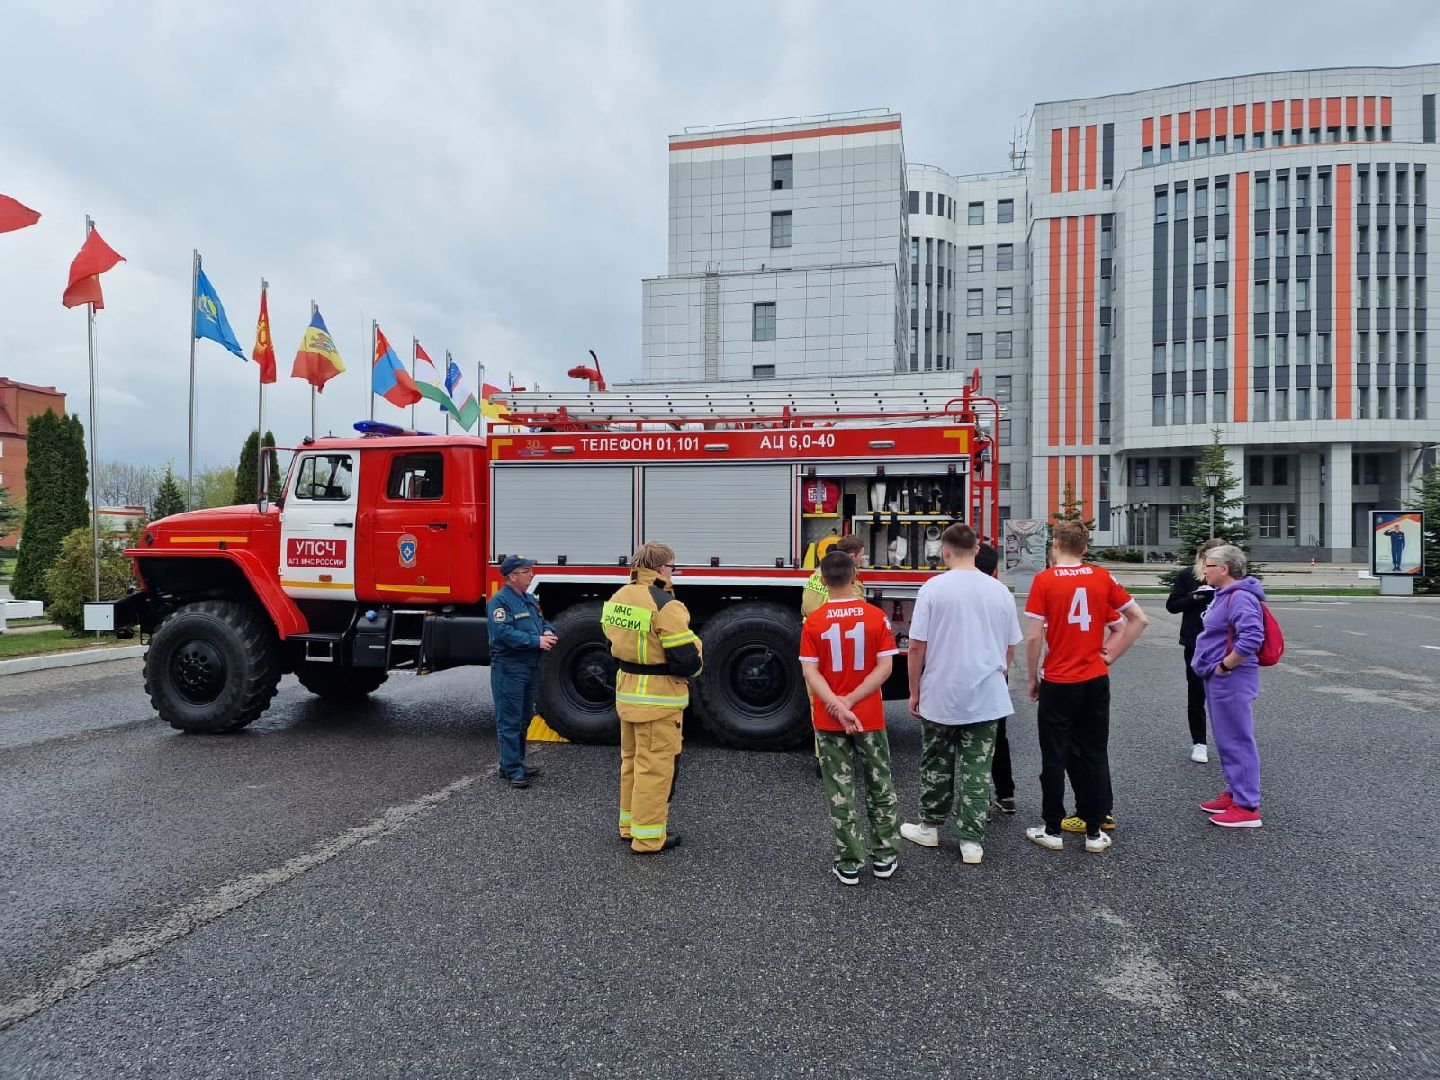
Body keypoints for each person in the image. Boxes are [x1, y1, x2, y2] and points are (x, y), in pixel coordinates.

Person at [899, 524, 1023, 866]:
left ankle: (929, 826)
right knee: (977, 768)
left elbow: (916, 647)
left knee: (937, 761)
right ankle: (971, 841)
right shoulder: (1000, 591)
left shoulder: (933, 589)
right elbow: (1010, 647)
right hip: (987, 695)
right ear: (978, 550)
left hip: (941, 693)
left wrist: (914, 691)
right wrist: (998, 672)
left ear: (945, 551)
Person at [1023, 521, 1148, 854]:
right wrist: (1110, 655)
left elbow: (1035, 635)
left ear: (1056, 543)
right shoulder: (1102, 577)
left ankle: (1052, 828)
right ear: (1084, 548)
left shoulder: (1044, 580)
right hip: (1094, 678)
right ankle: (1094, 830)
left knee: (1054, 755)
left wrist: (1032, 677)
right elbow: (1138, 619)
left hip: (1060, 680)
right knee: (1093, 752)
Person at [799, 550, 901, 885]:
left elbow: (811, 673)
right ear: (855, 576)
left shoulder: (814, 621)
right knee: (879, 783)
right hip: (869, 714)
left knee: (840, 789)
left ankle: (850, 862)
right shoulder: (875, 618)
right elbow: (885, 667)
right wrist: (853, 701)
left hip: (829, 718)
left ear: (824, 581)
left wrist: (837, 706)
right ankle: (884, 856)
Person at [602, 542, 702, 853]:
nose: (674, 572)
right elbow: (687, 660)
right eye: (673, 567)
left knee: (631, 763)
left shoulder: (619, 598)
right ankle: (647, 838)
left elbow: (609, 638)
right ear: (661, 568)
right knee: (655, 769)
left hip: (628, 692)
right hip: (659, 700)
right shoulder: (666, 604)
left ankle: (629, 826)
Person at [1192, 544, 1266, 828]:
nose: (1204, 570)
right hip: (1221, 677)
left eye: (1208, 566)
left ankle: (1247, 807)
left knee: (1237, 738)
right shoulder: (1226, 595)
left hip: (1231, 677)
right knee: (1226, 738)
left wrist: (1224, 667)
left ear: (1224, 569)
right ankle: (1236, 792)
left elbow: (1251, 639)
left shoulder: (1240, 598)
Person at [486, 555, 558, 789]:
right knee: (510, 718)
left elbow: (543, 621)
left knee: (525, 716)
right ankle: (511, 768)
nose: (532, 574)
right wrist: (535, 641)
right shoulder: (499, 603)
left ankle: (514, 762)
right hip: (510, 667)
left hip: (529, 666)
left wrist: (547, 632)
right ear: (513, 576)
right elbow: (502, 634)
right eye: (527, 571)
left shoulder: (528, 599)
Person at [1166, 538, 1225, 763]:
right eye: (1209, 559)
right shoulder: (1188, 575)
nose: (1212, 564)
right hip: (1195, 643)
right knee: (1197, 693)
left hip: (1223, 644)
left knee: (1224, 695)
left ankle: (1228, 741)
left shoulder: (1228, 577)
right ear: (1202, 557)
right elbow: (1172, 605)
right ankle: (1199, 742)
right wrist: (1195, 597)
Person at [975, 542, 1017, 815]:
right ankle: (1006, 794)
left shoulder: (953, 590)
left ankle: (979, 801)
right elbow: (1012, 643)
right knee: (998, 738)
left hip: (966, 677)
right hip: (995, 675)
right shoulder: (1002, 594)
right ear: (995, 569)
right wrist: (1005, 672)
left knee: (968, 742)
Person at [801, 534, 866, 616]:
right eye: (861, 555)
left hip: (809, 624)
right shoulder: (847, 578)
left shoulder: (819, 571)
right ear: (852, 556)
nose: (862, 558)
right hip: (828, 624)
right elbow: (858, 611)